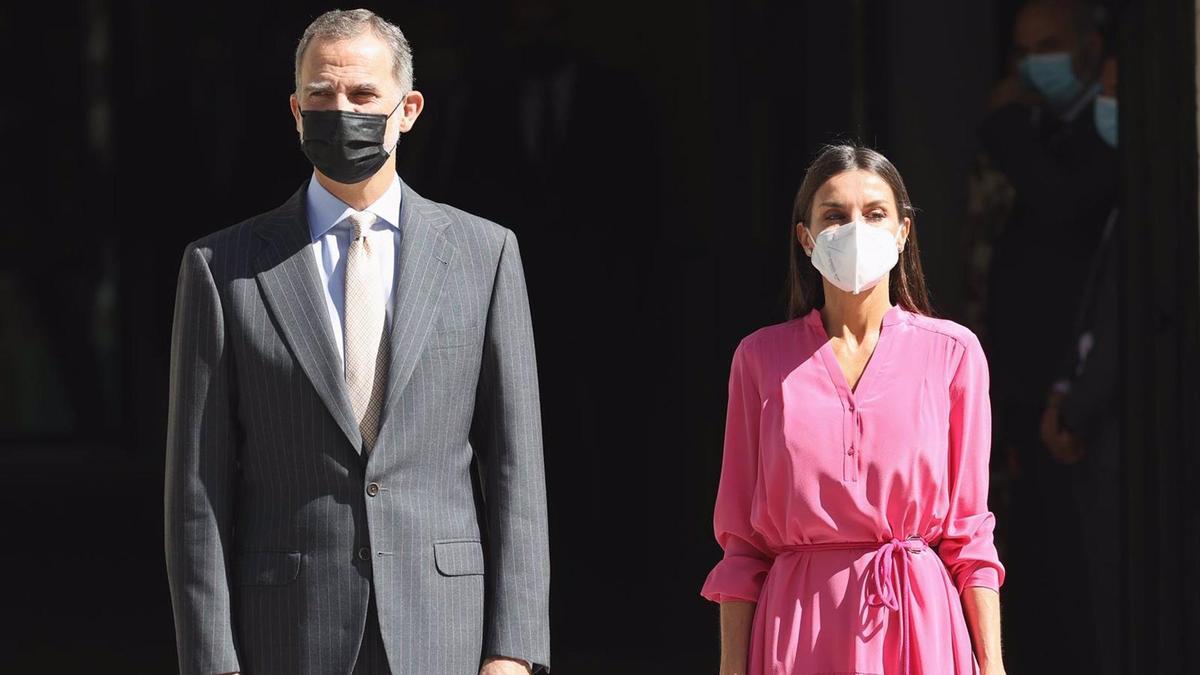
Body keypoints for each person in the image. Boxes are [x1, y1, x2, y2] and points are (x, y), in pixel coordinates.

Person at [164, 9, 549, 675]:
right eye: (321, 94)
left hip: (443, 628)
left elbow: (516, 467)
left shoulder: (485, 255)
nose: (340, 110)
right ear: (294, 109)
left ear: (408, 109)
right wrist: (213, 662)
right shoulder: (221, 268)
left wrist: (513, 650)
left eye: (363, 94)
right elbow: (197, 490)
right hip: (288, 631)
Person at [701, 145, 1006, 675]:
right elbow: (742, 548)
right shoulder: (759, 359)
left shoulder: (954, 354)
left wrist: (993, 664)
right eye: (835, 216)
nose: (856, 228)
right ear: (806, 236)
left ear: (904, 231)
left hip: (918, 626)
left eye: (875, 213)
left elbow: (970, 535)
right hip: (798, 630)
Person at [1039, 54, 1121, 675]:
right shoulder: (1125, 200)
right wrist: (1064, 392)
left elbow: (1124, 326)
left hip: (1121, 441)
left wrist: (1077, 407)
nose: (1108, 98)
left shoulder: (1153, 206)